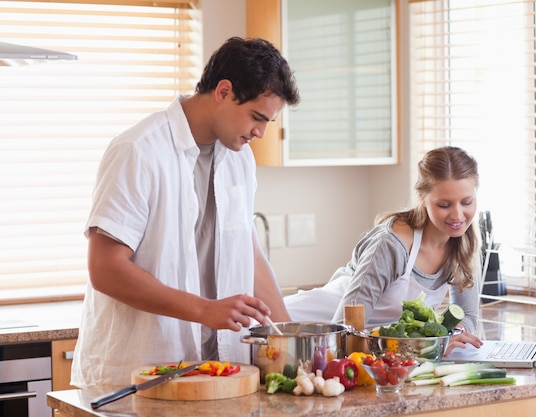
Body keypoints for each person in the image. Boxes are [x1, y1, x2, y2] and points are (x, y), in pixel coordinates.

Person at [71, 37, 300, 388]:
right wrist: (204, 309)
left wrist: (292, 344)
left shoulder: (240, 158)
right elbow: (105, 269)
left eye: (269, 121)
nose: (261, 132)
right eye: (257, 117)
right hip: (137, 375)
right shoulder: (139, 150)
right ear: (224, 92)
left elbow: (248, 253)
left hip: (219, 376)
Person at [284, 146, 483, 354]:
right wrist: (424, 345)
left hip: (372, 346)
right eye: (444, 205)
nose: (458, 215)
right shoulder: (392, 244)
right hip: (305, 328)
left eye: (467, 202)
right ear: (422, 197)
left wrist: (449, 336)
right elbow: (345, 330)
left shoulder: (465, 244)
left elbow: (468, 315)